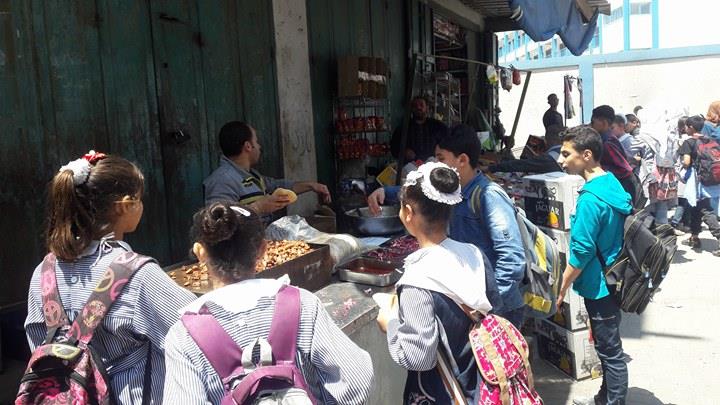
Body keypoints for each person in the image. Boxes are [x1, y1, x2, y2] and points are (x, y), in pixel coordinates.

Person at [24, 152, 196, 403]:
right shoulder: (138, 274)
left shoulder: (44, 272)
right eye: (140, 199)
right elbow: (197, 332)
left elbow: (38, 342)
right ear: (126, 205)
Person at [163, 202, 374, 403]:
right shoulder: (303, 305)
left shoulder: (183, 337)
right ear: (263, 250)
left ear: (200, 253)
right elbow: (357, 379)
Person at [369, 125, 525, 328]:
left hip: (498, 311)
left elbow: (512, 260)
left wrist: (487, 307)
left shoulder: (489, 196)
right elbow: (423, 192)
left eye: (441, 158)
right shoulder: (452, 193)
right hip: (472, 306)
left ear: (462, 160)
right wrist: (386, 192)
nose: (436, 165)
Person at [376, 162, 493, 404]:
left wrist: (391, 323)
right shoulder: (474, 255)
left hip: (441, 394)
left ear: (408, 212)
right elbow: (494, 311)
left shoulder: (417, 280)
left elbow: (418, 357)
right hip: (482, 385)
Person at [555, 126, 633, 405]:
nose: (561, 160)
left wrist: (561, 287)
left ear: (586, 155)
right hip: (616, 275)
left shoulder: (590, 199)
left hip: (600, 285)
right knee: (606, 346)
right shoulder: (611, 182)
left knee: (610, 352)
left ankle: (614, 402)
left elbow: (582, 252)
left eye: (566, 154)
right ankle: (604, 398)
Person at [203, 121, 331, 223]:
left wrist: (312, 186)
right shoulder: (222, 180)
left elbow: (277, 186)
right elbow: (218, 221)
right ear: (248, 146)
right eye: (256, 141)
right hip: (241, 248)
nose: (259, 146)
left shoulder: (253, 176)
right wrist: (257, 208)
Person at [677, 115, 720, 255]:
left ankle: (719, 235)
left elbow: (686, 162)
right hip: (709, 180)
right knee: (695, 207)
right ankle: (694, 236)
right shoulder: (709, 139)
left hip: (698, 182)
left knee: (705, 210)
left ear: (690, 127)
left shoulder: (689, 142)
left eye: (686, 126)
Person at [591, 105, 645, 208]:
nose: (591, 125)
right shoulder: (609, 138)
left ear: (604, 123)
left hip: (623, 184)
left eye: (593, 122)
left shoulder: (607, 142)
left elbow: (622, 167)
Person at [480, 124, 564, 174]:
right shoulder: (563, 154)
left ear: (548, 138)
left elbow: (522, 164)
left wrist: (490, 168)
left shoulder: (551, 157)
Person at [390, 96, 448, 162]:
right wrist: (404, 152)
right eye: (415, 106)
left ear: (427, 108)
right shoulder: (403, 128)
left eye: (421, 105)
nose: (418, 108)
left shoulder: (438, 126)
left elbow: (449, 142)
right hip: (411, 165)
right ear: (412, 109)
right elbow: (394, 148)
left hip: (434, 164)